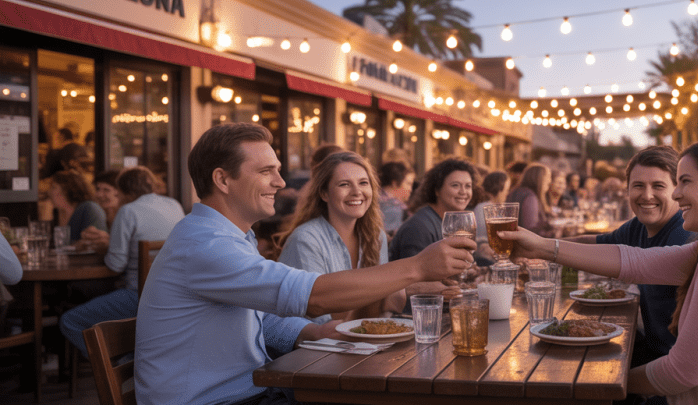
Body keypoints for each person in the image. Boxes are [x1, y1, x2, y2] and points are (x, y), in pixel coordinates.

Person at [134, 123, 473, 405]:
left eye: (278, 171)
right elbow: (313, 297)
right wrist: (417, 266)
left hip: (250, 391)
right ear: (222, 180)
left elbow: (263, 320)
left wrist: (315, 331)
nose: (281, 183)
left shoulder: (231, 237)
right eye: (267, 172)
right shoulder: (205, 245)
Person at [501, 137, 698, 405]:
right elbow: (635, 261)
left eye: (685, 181)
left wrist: (602, 381)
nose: (676, 194)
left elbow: (679, 373)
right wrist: (540, 246)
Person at [571, 146, 698, 405]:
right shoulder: (639, 226)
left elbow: (686, 370)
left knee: (583, 380)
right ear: (627, 190)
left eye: (658, 186)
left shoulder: (683, 236)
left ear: (677, 190)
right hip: (653, 354)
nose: (646, 195)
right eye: (638, 186)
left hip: (676, 376)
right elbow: (598, 244)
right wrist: (539, 245)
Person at [60, 166, 185, 356]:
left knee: (70, 321)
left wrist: (106, 248)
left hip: (139, 295)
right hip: (173, 295)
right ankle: (126, 358)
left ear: (122, 191)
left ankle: (113, 370)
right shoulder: (174, 205)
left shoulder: (128, 211)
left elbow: (115, 265)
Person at [276, 151, 403, 322]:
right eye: (344, 184)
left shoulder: (376, 236)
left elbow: (382, 298)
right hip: (316, 344)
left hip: (364, 342)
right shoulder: (306, 240)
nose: (357, 192)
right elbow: (317, 317)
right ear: (324, 193)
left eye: (363, 183)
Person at [390, 158, 476, 262]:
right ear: (437, 190)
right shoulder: (420, 227)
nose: (463, 192)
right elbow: (412, 273)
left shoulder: (452, 221)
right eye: (455, 185)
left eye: (468, 186)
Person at [48, 170, 107, 242]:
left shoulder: (89, 208)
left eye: (54, 187)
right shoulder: (56, 214)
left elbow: (96, 243)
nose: (49, 192)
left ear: (68, 189)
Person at [507, 163, 554, 237]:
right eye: (548, 177)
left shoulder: (516, 191)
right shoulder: (530, 197)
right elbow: (531, 230)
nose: (550, 181)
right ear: (539, 178)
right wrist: (554, 232)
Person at [472, 170, 511, 259]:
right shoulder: (483, 208)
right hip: (487, 259)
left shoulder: (500, 208)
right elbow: (481, 241)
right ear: (498, 188)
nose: (507, 194)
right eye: (506, 190)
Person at [378, 161, 414, 234]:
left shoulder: (373, 199)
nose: (410, 189)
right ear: (394, 183)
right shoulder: (395, 208)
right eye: (408, 183)